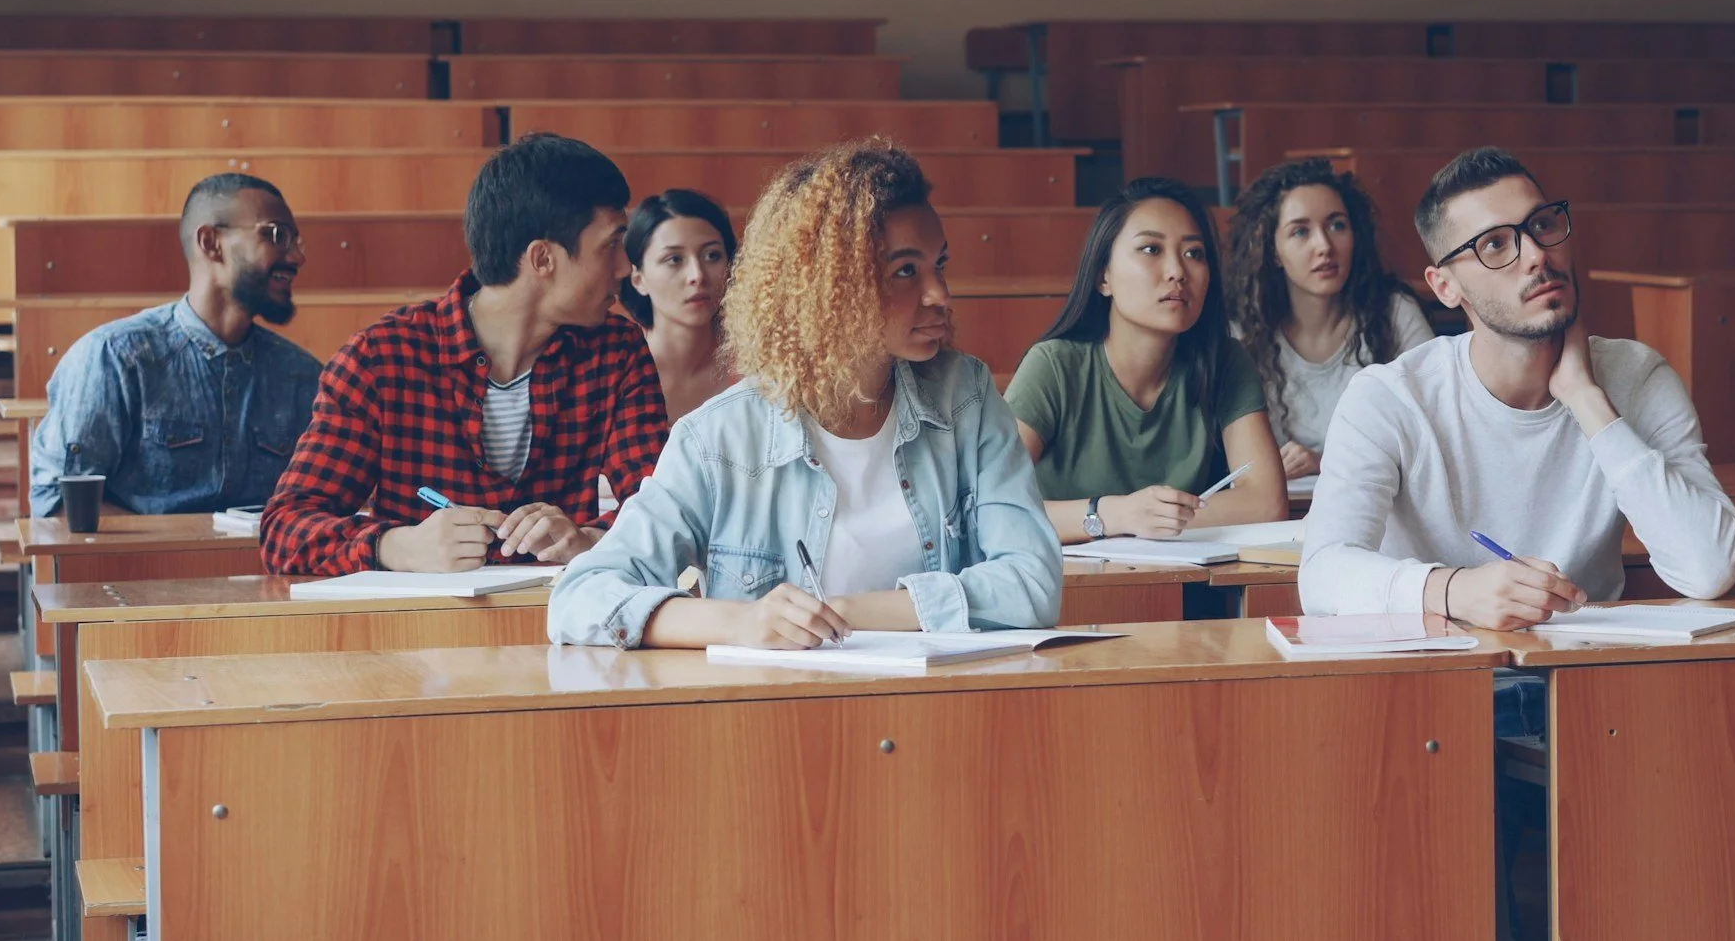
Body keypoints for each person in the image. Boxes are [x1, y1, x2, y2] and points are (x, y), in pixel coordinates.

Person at [551, 141, 1060, 648]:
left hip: (939, 711)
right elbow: (581, 598)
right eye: (905, 270)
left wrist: (845, 612)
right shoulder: (719, 438)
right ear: (829, 285)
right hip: (782, 717)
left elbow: (1032, 585)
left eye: (938, 264)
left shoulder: (966, 396)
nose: (939, 294)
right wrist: (740, 623)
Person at [1299, 146, 1735, 628]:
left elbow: (1709, 570)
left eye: (1542, 226)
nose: (1535, 255)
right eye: (1494, 245)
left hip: (1586, 673)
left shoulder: (1637, 377)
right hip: (1439, 674)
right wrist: (1454, 590)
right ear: (1446, 286)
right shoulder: (1390, 397)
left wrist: (1587, 400)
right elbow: (1322, 573)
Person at [260, 134, 671, 577]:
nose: (625, 268)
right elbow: (285, 528)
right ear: (543, 259)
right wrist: (394, 546)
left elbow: (663, 511)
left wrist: (589, 539)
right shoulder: (380, 359)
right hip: (414, 634)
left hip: (560, 626)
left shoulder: (618, 353)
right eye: (611, 245)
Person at [1006, 177, 1287, 543]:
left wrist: (1149, 521)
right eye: (1151, 249)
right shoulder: (1055, 366)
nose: (1177, 271)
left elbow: (1266, 503)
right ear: (1103, 277)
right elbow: (994, 509)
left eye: (1194, 253)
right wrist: (1114, 514)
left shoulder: (1225, 360)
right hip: (1071, 590)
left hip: (1187, 588)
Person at [27, 173, 319, 517]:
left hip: (273, 571)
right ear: (211, 243)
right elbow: (60, 503)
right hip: (141, 569)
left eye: (296, 241)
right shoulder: (115, 358)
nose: (297, 257)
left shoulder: (303, 376)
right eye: (277, 235)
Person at [1223, 158, 1436, 485]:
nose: (1324, 246)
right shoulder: (1243, 331)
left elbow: (1435, 432)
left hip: (1383, 506)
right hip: (1279, 513)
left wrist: (1324, 462)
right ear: (1273, 250)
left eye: (1337, 225)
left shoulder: (1393, 312)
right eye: (1300, 232)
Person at [620, 188, 738, 423]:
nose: (697, 275)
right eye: (674, 259)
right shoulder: (619, 374)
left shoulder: (755, 371)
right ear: (638, 279)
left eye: (712, 255)